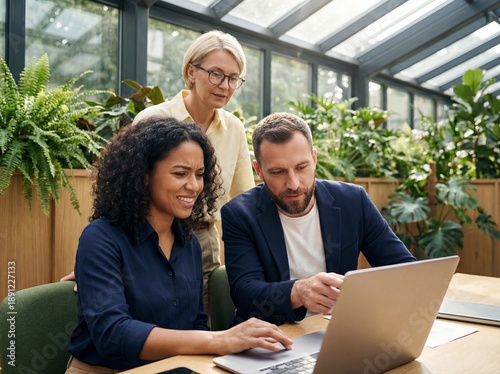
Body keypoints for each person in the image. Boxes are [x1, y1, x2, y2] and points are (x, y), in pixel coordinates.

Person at [65, 117, 292, 373]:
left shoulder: (189, 242)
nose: (194, 186)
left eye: (199, 174)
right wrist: (219, 340)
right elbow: (113, 334)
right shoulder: (101, 239)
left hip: (172, 367)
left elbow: (195, 323)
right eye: (180, 173)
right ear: (144, 176)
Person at [221, 112, 416, 326]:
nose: (293, 183)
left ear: (314, 159)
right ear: (259, 170)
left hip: (338, 329)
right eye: (278, 172)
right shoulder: (239, 215)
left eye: (301, 167)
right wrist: (298, 292)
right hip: (273, 336)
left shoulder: (352, 201)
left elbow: (404, 270)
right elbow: (246, 294)